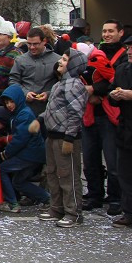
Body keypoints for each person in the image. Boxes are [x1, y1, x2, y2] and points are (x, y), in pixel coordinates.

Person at [36, 50, 88, 227]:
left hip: (65, 138)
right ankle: (56, 207)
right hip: (52, 135)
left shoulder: (73, 84)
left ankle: (73, 212)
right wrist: (40, 119)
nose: (60, 61)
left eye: (65, 59)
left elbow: (75, 113)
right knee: (52, 173)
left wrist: (69, 137)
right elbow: (55, 109)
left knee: (68, 175)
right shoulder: (60, 83)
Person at [81, 19, 126, 215]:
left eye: (111, 31)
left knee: (112, 160)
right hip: (90, 113)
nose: (107, 34)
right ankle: (94, 194)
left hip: (110, 115)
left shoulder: (124, 56)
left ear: (120, 33)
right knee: (90, 159)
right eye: (104, 31)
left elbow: (120, 80)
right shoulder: (94, 53)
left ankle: (116, 198)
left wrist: (95, 91)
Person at [106, 32, 132, 227]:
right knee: (127, 175)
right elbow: (112, 91)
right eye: (128, 48)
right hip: (126, 129)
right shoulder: (123, 69)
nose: (129, 52)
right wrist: (114, 96)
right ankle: (131, 213)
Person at [0, 84, 49, 213]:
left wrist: (6, 154)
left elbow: (20, 139)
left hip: (29, 153)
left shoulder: (24, 114)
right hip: (33, 154)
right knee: (19, 182)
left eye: (11, 101)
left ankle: (13, 203)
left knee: (1, 170)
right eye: (6, 102)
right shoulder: (20, 113)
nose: (9, 105)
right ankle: (47, 199)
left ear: (18, 100)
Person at [10, 27, 61, 116]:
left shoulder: (57, 60)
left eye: (35, 44)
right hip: (26, 109)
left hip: (49, 110)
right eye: (29, 44)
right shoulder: (20, 60)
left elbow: (61, 83)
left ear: (44, 41)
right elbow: (13, 81)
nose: (32, 47)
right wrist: (25, 93)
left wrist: (49, 94)